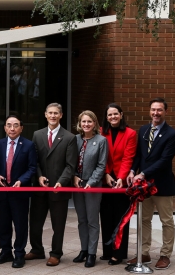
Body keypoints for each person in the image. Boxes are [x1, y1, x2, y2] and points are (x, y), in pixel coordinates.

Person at [127, 97, 175, 270]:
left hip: (162, 185)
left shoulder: (172, 134)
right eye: (153, 110)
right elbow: (139, 156)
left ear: (165, 111)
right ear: (149, 111)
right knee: (144, 219)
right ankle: (144, 253)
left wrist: (143, 173)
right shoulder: (143, 130)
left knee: (166, 221)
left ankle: (165, 254)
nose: (156, 113)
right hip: (143, 187)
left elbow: (165, 160)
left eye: (159, 110)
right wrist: (132, 171)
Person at [27, 102, 78, 266]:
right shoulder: (37, 134)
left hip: (59, 189)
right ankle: (36, 250)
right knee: (35, 222)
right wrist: (39, 176)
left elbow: (71, 166)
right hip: (40, 187)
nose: (53, 116)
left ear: (61, 115)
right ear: (45, 114)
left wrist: (61, 182)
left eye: (56, 113)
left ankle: (56, 253)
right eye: (50, 113)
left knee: (58, 225)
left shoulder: (69, 138)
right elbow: (34, 161)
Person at [0, 115, 37, 268]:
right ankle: (5, 251)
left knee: (20, 224)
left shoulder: (29, 145)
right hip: (3, 191)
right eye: (9, 125)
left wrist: (22, 180)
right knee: (3, 224)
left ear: (21, 128)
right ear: (4, 127)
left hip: (20, 192)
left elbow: (32, 168)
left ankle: (19, 253)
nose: (12, 128)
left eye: (16, 125)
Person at [99, 103, 136, 265]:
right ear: (106, 117)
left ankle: (119, 253)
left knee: (120, 218)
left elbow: (128, 157)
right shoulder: (101, 132)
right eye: (109, 115)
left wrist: (121, 177)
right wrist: (106, 174)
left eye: (115, 114)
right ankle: (107, 251)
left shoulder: (130, 133)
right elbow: (101, 156)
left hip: (122, 181)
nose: (112, 117)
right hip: (105, 179)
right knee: (106, 216)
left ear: (121, 115)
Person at [71, 110, 107, 268]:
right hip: (77, 183)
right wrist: (74, 176)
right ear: (79, 123)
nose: (86, 124)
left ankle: (92, 253)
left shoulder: (101, 141)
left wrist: (91, 182)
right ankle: (83, 250)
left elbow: (101, 165)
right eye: (83, 121)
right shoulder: (75, 139)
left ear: (95, 123)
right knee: (82, 219)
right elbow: (70, 161)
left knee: (92, 220)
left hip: (93, 184)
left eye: (89, 121)